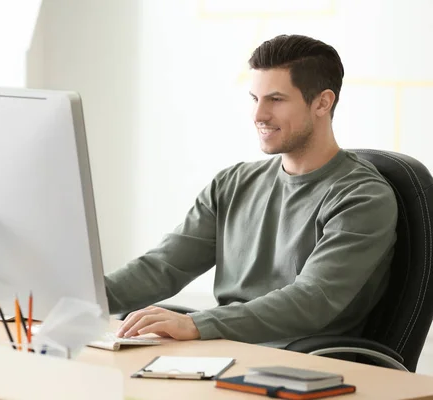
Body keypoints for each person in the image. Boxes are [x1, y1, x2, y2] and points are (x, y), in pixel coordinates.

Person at [104, 34, 398, 347]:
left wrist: (197, 324)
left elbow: (312, 300)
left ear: (322, 103)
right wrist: (74, 300)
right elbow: (162, 268)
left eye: (276, 99)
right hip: (227, 353)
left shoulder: (362, 197)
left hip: (302, 366)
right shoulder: (232, 184)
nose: (258, 115)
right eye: (255, 99)